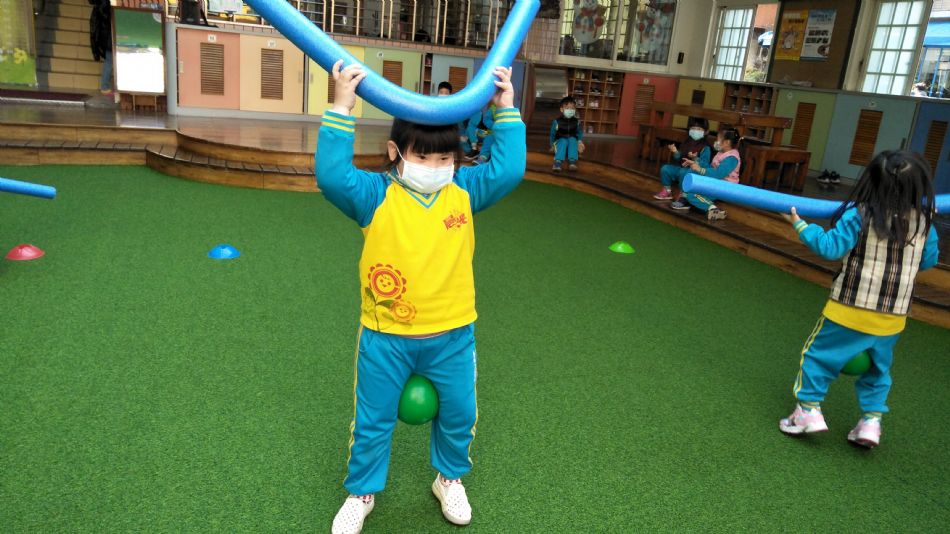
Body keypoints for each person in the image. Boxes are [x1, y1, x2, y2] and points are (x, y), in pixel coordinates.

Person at [317, 60, 525, 534]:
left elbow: (509, 170)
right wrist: (341, 107)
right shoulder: (374, 195)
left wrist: (506, 109)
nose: (436, 168)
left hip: (453, 334)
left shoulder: (464, 190)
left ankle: (449, 479)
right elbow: (332, 177)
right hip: (386, 335)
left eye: (445, 159)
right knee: (373, 420)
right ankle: (361, 492)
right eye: (424, 158)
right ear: (395, 152)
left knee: (460, 414)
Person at [778, 149, 940, 448]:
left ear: (871, 182)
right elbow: (928, 261)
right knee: (879, 370)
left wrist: (800, 225)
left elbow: (830, 247)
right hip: (892, 318)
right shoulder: (925, 223)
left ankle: (808, 411)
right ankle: (870, 422)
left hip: (848, 310)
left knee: (817, 357)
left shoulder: (859, 214)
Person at [670, 126, 741, 221]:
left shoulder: (732, 158)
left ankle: (714, 209)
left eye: (718, 139)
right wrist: (696, 162)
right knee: (692, 171)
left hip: (724, 187)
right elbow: (711, 167)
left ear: (727, 142)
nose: (716, 141)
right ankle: (684, 198)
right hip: (715, 182)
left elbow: (718, 173)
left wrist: (700, 170)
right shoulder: (721, 152)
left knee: (691, 194)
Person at [653, 117, 711, 200]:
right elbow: (679, 158)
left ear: (706, 132)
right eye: (693, 128)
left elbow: (705, 164)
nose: (695, 131)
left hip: (693, 172)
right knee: (665, 169)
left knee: (683, 172)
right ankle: (667, 190)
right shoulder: (686, 142)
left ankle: (683, 195)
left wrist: (695, 158)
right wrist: (675, 152)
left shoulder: (706, 147)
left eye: (698, 129)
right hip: (681, 168)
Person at [437, 81, 477, 159]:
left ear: (450, 95)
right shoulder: (435, 104)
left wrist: (460, 136)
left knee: (461, 138)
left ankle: (470, 151)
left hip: (453, 130)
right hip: (440, 130)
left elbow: (459, 124)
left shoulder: (453, 106)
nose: (443, 95)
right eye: (441, 92)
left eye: (446, 93)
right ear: (438, 93)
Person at [549, 95, 585, 172]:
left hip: (571, 143)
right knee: (563, 140)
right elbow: (552, 134)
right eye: (567, 108)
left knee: (573, 139)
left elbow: (579, 133)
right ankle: (557, 163)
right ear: (562, 109)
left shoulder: (576, 121)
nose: (570, 110)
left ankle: (572, 162)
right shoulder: (557, 122)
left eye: (572, 108)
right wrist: (552, 145)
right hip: (559, 142)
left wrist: (580, 142)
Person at [88, 0, 112, 94]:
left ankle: (105, 86)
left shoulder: (100, 6)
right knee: (110, 59)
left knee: (109, 59)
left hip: (105, 33)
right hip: (108, 33)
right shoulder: (104, 6)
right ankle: (105, 86)